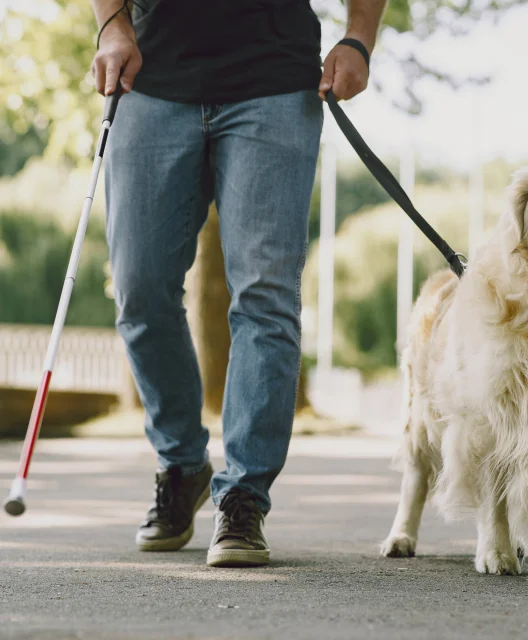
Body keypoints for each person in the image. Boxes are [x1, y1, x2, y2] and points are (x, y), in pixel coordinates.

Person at [90, 0, 386, 567]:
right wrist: (111, 24)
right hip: (151, 80)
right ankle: (182, 465)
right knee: (140, 289)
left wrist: (359, 38)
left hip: (273, 84)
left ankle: (244, 494)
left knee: (265, 296)